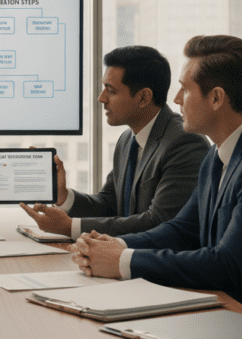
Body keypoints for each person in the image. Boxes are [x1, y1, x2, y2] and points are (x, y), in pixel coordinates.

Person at [72, 35, 242, 330]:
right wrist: (115, 245)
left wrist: (124, 261)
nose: (175, 100)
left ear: (216, 98)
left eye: (185, 90)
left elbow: (228, 266)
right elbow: (182, 230)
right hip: (232, 317)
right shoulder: (219, 153)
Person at [20, 46, 208, 238]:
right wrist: (64, 196)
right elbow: (109, 205)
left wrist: (71, 227)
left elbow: (159, 222)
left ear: (144, 97)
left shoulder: (185, 143)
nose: (101, 98)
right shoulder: (127, 140)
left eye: (111, 90)